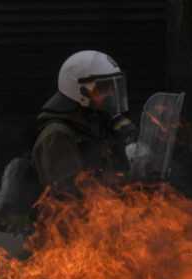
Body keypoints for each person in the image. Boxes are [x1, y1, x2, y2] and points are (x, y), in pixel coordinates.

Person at [32, 50, 137, 193]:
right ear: (79, 91)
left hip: (106, 207)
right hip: (74, 213)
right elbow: (68, 196)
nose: (111, 93)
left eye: (113, 86)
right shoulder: (57, 135)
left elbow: (114, 174)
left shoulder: (96, 122)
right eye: (103, 88)